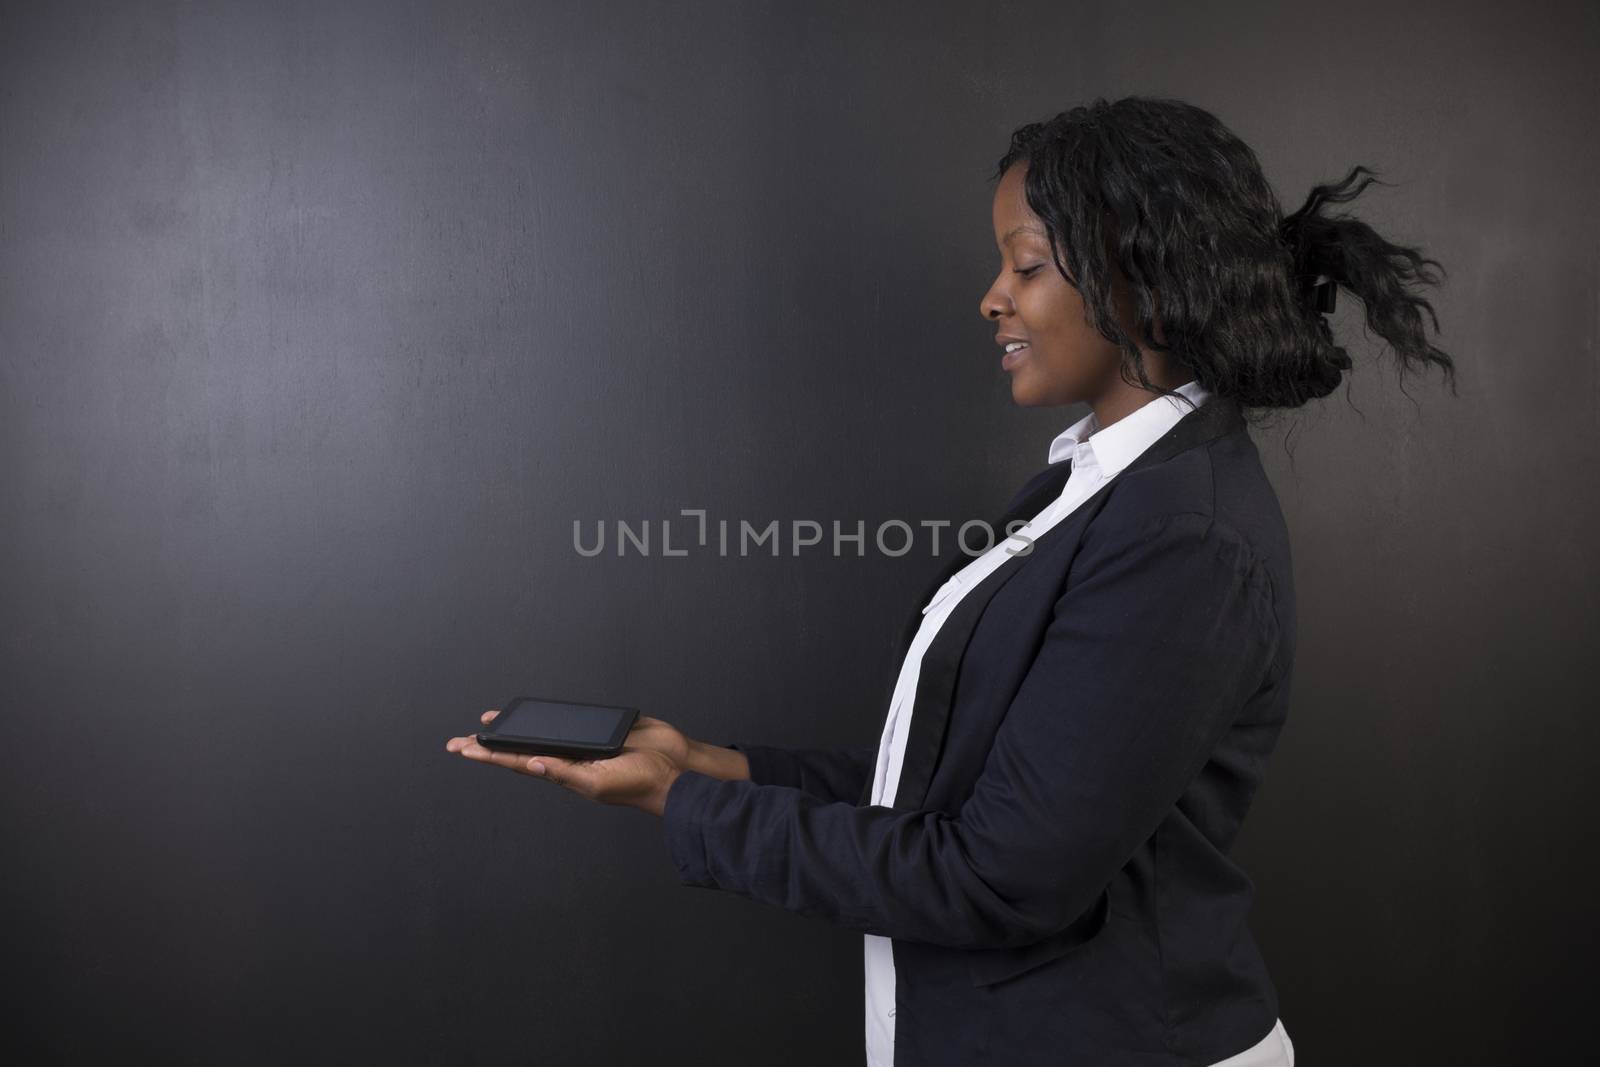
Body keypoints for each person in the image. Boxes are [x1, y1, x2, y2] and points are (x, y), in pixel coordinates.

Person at [446, 95, 1456, 1066]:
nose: (992, 295)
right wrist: (710, 763)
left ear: (1144, 274)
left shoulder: (1181, 537)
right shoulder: (1089, 488)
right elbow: (964, 787)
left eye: (1026, 264)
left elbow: (1001, 877)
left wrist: (683, 805)